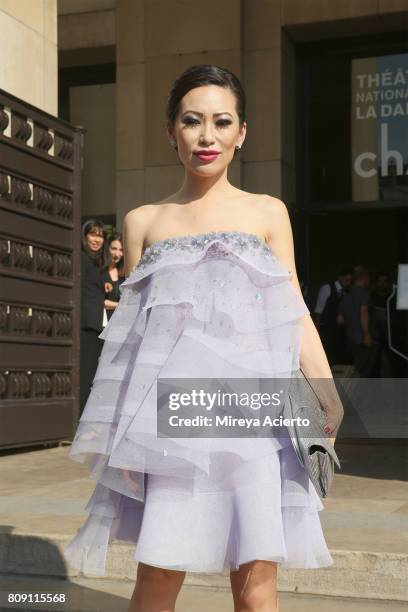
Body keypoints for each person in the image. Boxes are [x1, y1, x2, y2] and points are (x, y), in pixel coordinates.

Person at [65, 65, 343, 612]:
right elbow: (134, 342)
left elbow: (293, 310)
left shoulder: (268, 212)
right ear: (171, 131)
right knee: (157, 580)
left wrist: (326, 390)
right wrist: (123, 433)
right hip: (173, 423)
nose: (207, 136)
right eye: (192, 121)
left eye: (222, 122)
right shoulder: (144, 220)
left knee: (257, 585)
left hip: (255, 421)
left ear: (242, 132)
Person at [79, 219, 111, 414]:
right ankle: (78, 423)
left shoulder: (96, 263)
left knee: (91, 375)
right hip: (86, 324)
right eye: (93, 234)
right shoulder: (82, 259)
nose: (96, 240)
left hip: (95, 325)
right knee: (85, 376)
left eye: (100, 236)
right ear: (84, 236)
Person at [337, 265, 378, 377]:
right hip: (362, 340)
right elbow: (363, 313)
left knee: (355, 369)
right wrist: (366, 335)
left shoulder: (345, 296)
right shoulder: (364, 294)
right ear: (365, 278)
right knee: (363, 371)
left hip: (350, 339)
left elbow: (340, 320)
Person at [314, 270, 352, 365]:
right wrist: (317, 333)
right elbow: (318, 311)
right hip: (327, 329)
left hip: (339, 331)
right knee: (328, 357)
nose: (348, 283)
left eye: (350, 281)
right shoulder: (327, 288)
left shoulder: (346, 292)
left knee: (338, 357)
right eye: (347, 280)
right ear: (340, 278)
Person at [104, 231, 125, 321]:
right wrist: (121, 306)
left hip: (120, 323)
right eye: (114, 249)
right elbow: (98, 301)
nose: (117, 254)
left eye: (121, 250)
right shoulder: (100, 271)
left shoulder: (124, 274)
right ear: (107, 248)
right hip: (103, 324)